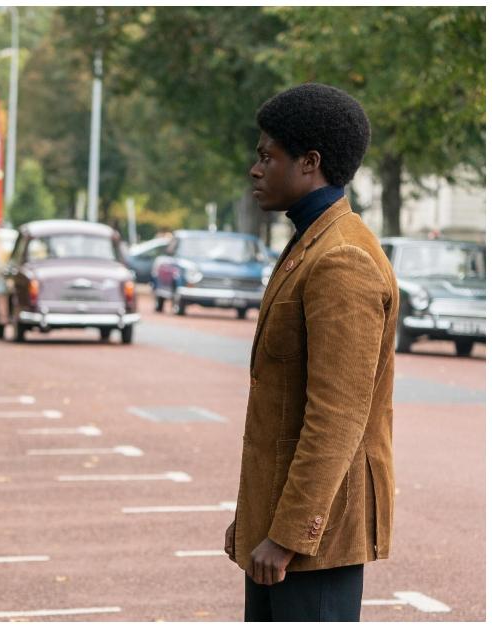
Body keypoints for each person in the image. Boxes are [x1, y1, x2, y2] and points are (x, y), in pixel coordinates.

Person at [225, 83, 397, 621]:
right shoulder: (312, 239)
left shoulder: (341, 258)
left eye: (267, 156)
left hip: (316, 540)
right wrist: (257, 519)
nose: (255, 169)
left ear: (310, 164)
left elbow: (338, 415)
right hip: (286, 528)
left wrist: (288, 534)